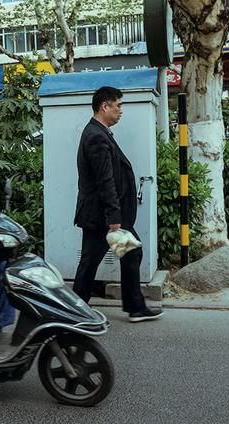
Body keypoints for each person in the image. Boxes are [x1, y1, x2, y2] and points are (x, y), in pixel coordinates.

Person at [73, 86, 163, 323]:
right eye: (118, 105)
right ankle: (77, 309)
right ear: (105, 106)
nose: (120, 110)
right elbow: (105, 180)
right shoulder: (95, 136)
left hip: (104, 214)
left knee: (127, 255)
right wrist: (114, 218)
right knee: (92, 262)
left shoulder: (99, 133)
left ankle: (134, 307)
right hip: (103, 216)